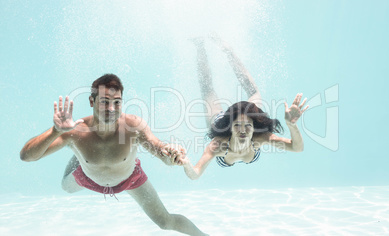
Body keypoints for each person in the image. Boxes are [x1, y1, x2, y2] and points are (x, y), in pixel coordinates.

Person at [20, 74, 207, 236]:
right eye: (104, 102)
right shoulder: (75, 131)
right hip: (87, 177)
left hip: (130, 178)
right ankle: (80, 157)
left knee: (165, 222)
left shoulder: (133, 126)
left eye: (116, 102)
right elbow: (27, 156)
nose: (111, 109)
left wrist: (172, 155)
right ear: (92, 102)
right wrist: (55, 131)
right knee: (65, 187)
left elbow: (160, 151)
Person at [180, 36, 309, 179]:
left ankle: (228, 51)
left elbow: (297, 148)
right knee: (207, 89)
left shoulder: (261, 137)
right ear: (230, 127)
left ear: (254, 126)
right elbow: (195, 174)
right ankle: (200, 45)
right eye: (237, 125)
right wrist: (187, 164)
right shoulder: (218, 145)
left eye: (247, 125)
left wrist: (292, 125)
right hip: (221, 119)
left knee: (253, 92)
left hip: (242, 116)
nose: (242, 130)